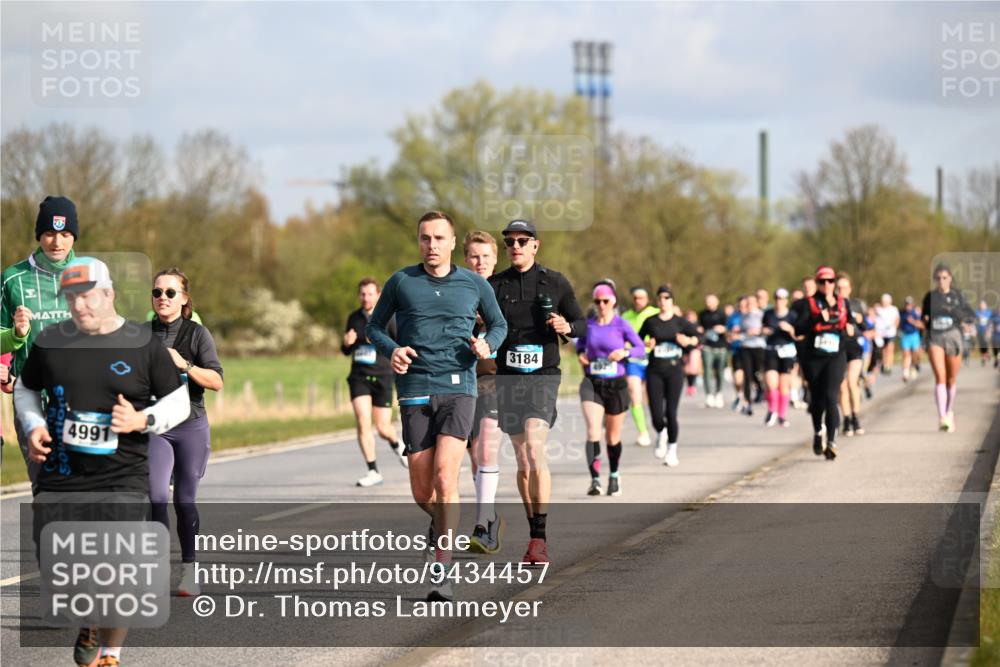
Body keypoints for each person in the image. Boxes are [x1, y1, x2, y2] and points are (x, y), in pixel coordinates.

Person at [15, 256, 190, 667]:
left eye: (88, 295)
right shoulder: (50, 341)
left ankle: (110, 654)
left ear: (109, 294)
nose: (79, 306)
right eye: (71, 297)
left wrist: (142, 419)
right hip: (60, 475)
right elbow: (24, 388)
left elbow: (178, 400)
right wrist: (33, 425)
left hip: (121, 475)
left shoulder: (143, 343)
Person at [367, 211, 506, 601]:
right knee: (422, 492)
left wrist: (486, 345)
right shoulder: (401, 281)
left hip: (459, 386)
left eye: (439, 238)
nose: (432, 246)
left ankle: (442, 568)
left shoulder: (473, 283)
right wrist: (393, 350)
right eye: (425, 238)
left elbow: (499, 325)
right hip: (414, 389)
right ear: (419, 242)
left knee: (447, 479)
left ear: (451, 241)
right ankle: (447, 524)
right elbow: (374, 327)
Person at [489, 219, 586, 564]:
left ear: (535, 245)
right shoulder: (495, 285)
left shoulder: (555, 281)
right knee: (522, 461)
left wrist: (567, 326)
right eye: (510, 241)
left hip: (543, 376)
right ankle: (533, 531)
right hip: (508, 377)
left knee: (534, 447)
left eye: (522, 240)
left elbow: (582, 322)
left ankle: (540, 538)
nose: (515, 246)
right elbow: (476, 324)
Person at [147, 268, 224, 597]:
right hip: (156, 427)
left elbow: (217, 382)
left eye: (170, 293)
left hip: (191, 424)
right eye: (157, 292)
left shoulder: (196, 334)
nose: (163, 298)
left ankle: (189, 570)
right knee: (156, 496)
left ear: (184, 299)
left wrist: (186, 366)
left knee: (184, 500)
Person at [2, 196, 80, 485]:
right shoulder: (13, 279)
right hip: (31, 399)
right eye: (49, 233)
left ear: (74, 236)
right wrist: (16, 334)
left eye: (65, 234)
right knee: (45, 489)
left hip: (82, 398)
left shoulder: (91, 275)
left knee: (82, 488)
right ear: (39, 235)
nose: (57, 242)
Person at [577, 283, 645, 495]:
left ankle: (614, 475)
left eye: (605, 301)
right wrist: (581, 355)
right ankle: (595, 480)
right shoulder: (588, 326)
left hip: (616, 384)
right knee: (593, 432)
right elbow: (580, 346)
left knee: (612, 437)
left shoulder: (621, 325)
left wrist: (624, 353)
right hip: (593, 384)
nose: (602, 305)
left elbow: (640, 347)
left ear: (613, 301)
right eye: (598, 301)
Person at [462, 231, 505, 554]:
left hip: (496, 380)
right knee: (473, 456)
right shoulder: (456, 289)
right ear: (466, 260)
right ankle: (487, 512)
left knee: (487, 447)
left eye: (486, 256)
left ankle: (482, 524)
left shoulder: (504, 291)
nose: (480, 262)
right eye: (474, 256)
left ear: (495, 259)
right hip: (460, 380)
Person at [341, 277, 406, 488]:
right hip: (359, 377)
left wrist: (379, 341)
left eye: (370, 293)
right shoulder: (354, 318)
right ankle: (372, 470)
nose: (365, 297)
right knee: (362, 420)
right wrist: (346, 344)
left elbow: (400, 345)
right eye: (362, 294)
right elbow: (346, 350)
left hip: (383, 376)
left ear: (378, 295)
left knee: (383, 428)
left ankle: (398, 445)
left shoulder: (388, 317)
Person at [792, 266, 855, 460]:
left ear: (834, 283)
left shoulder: (843, 303)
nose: (826, 285)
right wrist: (817, 319)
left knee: (831, 396)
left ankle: (832, 442)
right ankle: (818, 431)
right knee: (817, 399)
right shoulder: (807, 304)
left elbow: (851, 324)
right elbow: (799, 329)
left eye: (830, 281)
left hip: (836, 355)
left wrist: (851, 327)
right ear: (817, 283)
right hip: (813, 357)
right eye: (822, 281)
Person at [638, 286, 699, 465]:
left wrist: (688, 341)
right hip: (655, 370)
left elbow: (698, 338)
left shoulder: (680, 322)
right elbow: (637, 340)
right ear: (658, 301)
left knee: (671, 412)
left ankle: (672, 449)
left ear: (672, 301)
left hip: (674, 370)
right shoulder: (651, 321)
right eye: (661, 298)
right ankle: (661, 432)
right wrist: (646, 343)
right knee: (656, 413)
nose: (663, 301)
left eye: (667, 298)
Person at [921, 264, 976, 432]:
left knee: (951, 378)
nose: (941, 281)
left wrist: (956, 313)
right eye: (938, 278)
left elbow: (970, 315)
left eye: (944, 278)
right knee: (940, 377)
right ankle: (942, 417)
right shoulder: (930, 296)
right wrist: (925, 320)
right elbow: (924, 317)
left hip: (953, 336)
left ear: (950, 278)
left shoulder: (958, 296)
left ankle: (949, 410)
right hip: (935, 337)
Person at [620, 287, 659, 446]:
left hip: (652, 359)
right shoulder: (625, 316)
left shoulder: (655, 313)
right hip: (633, 359)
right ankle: (643, 432)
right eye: (635, 298)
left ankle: (659, 428)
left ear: (648, 299)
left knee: (650, 396)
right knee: (634, 392)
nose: (638, 301)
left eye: (641, 298)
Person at [836, 273, 868, 436]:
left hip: (854, 346)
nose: (842, 290)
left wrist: (861, 321)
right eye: (839, 287)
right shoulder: (832, 304)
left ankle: (856, 417)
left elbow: (866, 328)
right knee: (841, 385)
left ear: (850, 288)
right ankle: (846, 418)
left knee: (851, 382)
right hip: (838, 346)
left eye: (845, 287)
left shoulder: (857, 304)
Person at [762, 288, 798, 428]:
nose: (779, 301)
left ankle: (782, 415)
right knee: (771, 383)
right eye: (777, 298)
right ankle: (772, 411)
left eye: (782, 299)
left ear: (786, 300)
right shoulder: (768, 314)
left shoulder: (792, 315)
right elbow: (762, 329)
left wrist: (789, 329)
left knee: (784, 385)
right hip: (771, 350)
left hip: (787, 352)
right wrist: (764, 331)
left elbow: (798, 335)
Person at [738, 294, 767, 415]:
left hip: (759, 346)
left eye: (751, 302)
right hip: (746, 347)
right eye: (747, 303)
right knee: (747, 375)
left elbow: (767, 329)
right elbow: (741, 330)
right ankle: (748, 402)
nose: (749, 305)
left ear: (756, 303)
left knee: (758, 371)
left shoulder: (761, 314)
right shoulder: (743, 316)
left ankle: (762, 389)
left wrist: (758, 331)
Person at [698, 293, 728, 409]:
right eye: (707, 301)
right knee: (707, 370)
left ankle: (719, 393)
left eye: (711, 301)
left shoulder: (722, 314)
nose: (709, 303)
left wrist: (723, 329)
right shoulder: (702, 314)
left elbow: (728, 328)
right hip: (707, 346)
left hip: (720, 347)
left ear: (717, 301)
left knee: (720, 371)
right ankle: (709, 395)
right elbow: (699, 328)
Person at [727, 296, 747, 412]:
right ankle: (739, 395)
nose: (742, 307)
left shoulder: (752, 316)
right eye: (740, 305)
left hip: (749, 350)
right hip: (737, 349)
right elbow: (728, 333)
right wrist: (730, 336)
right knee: (738, 378)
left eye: (745, 305)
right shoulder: (733, 317)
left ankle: (745, 398)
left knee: (747, 377)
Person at [899, 296, 924, 381]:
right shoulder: (901, 313)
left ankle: (914, 366)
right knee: (906, 354)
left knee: (915, 354)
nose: (908, 306)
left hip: (914, 335)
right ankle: (905, 373)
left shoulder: (915, 313)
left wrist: (913, 321)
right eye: (906, 304)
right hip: (905, 335)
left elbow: (921, 325)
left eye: (909, 305)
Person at [874, 293, 900, 375]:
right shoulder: (879, 309)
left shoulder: (893, 309)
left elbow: (897, 319)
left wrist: (894, 327)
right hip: (881, 333)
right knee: (884, 350)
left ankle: (889, 365)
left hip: (890, 333)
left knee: (890, 349)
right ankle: (884, 364)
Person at [682, 309, 703, 397]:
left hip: (695, 348)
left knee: (693, 368)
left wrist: (700, 344)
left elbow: (701, 337)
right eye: (688, 317)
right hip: (686, 349)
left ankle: (692, 385)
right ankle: (690, 385)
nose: (690, 318)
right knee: (687, 369)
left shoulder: (697, 327)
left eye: (692, 317)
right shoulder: (683, 326)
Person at [975, 300, 993, 367]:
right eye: (980, 305)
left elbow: (991, 322)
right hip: (979, 330)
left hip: (987, 331)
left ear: (986, 306)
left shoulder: (989, 312)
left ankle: (984, 357)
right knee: (981, 344)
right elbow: (975, 321)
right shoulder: (977, 312)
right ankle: (986, 355)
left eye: (983, 305)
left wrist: (989, 331)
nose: (981, 306)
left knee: (985, 344)